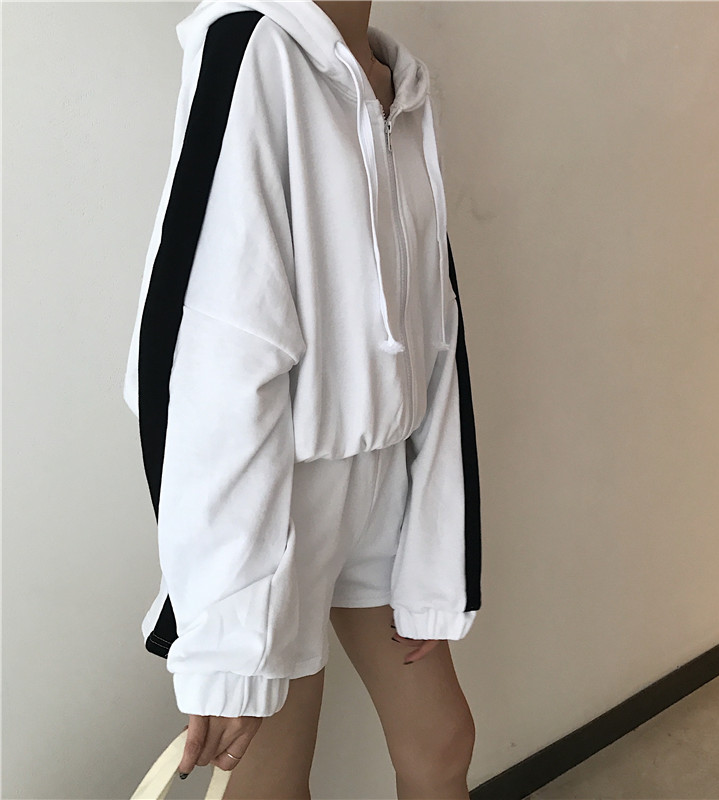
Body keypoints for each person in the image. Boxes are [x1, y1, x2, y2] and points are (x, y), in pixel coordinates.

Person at [122, 1, 482, 797]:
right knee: (270, 777)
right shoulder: (251, 48)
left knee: (442, 738)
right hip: (280, 492)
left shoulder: (401, 85)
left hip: (384, 473)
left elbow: (438, 326)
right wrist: (224, 640)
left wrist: (437, 555)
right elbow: (212, 341)